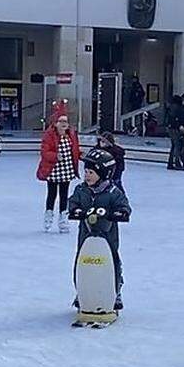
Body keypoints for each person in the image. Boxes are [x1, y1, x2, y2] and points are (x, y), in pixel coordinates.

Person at [67, 148, 132, 310]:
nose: (87, 175)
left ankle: (115, 291)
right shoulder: (81, 190)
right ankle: (81, 291)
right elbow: (73, 203)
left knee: (111, 262)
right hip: (86, 235)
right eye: (86, 171)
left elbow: (124, 205)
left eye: (91, 172)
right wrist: (75, 210)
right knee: (81, 262)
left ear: (104, 174)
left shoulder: (112, 192)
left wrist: (120, 213)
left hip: (108, 235)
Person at [37, 112, 81, 233]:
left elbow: (75, 149)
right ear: (55, 123)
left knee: (64, 195)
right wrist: (56, 156)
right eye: (61, 121)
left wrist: (81, 156)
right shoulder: (49, 135)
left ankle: (63, 218)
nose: (64, 124)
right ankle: (48, 216)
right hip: (53, 169)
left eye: (65, 121)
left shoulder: (71, 134)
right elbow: (44, 152)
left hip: (66, 169)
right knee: (52, 194)